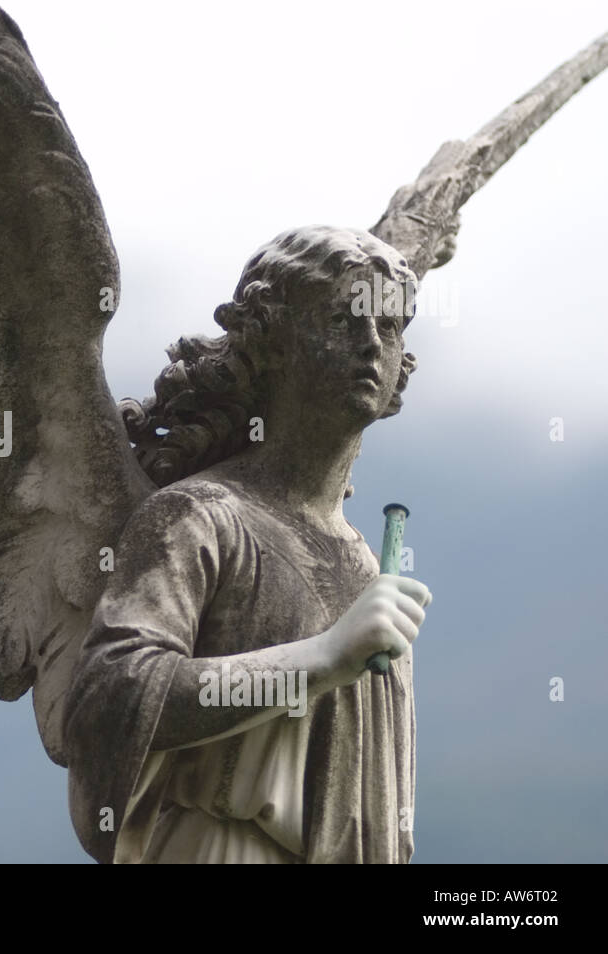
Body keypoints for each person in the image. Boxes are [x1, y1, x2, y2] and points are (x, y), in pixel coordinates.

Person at [65, 226, 434, 863]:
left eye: (389, 325)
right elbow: (112, 697)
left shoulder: (366, 566)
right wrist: (322, 657)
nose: (372, 344)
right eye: (345, 319)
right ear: (272, 339)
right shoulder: (201, 517)